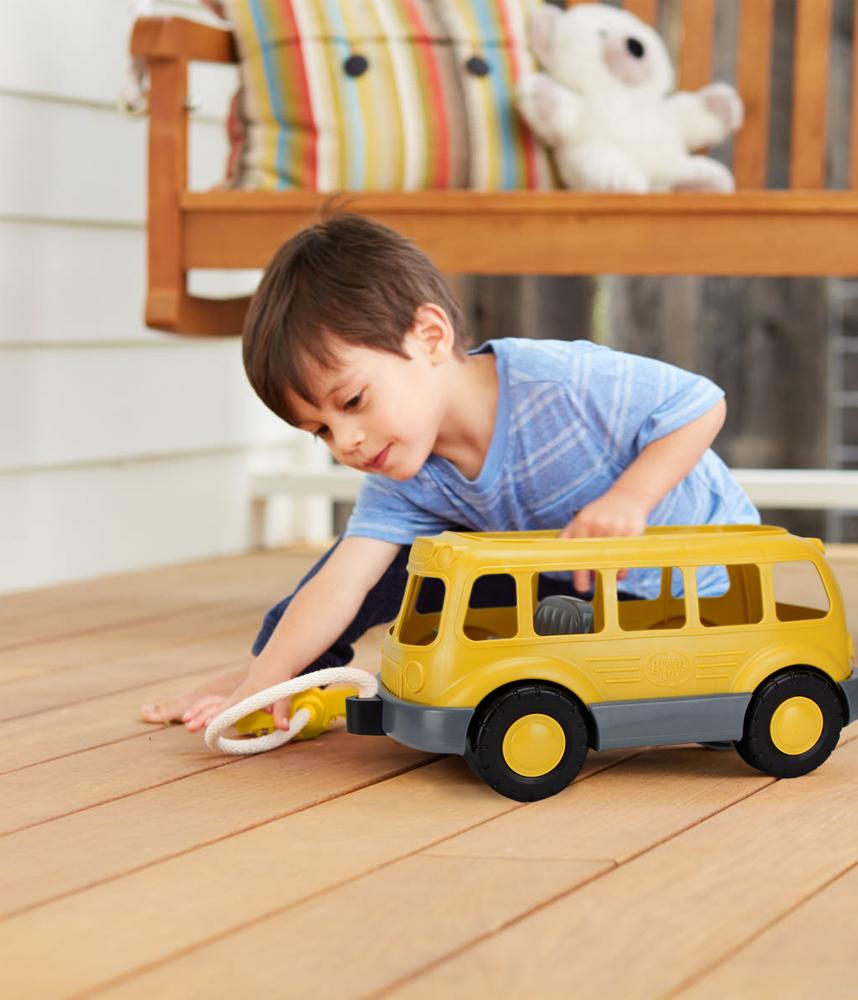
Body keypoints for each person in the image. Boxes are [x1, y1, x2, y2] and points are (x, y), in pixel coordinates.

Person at [141, 211, 759, 731]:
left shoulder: (559, 381)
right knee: (372, 569)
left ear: (430, 337)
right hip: (574, 595)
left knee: (461, 618)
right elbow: (343, 585)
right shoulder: (404, 473)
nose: (346, 442)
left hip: (695, 596)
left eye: (352, 401)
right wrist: (265, 679)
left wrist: (630, 499)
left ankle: (274, 669)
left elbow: (699, 403)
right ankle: (273, 672)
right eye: (321, 431)